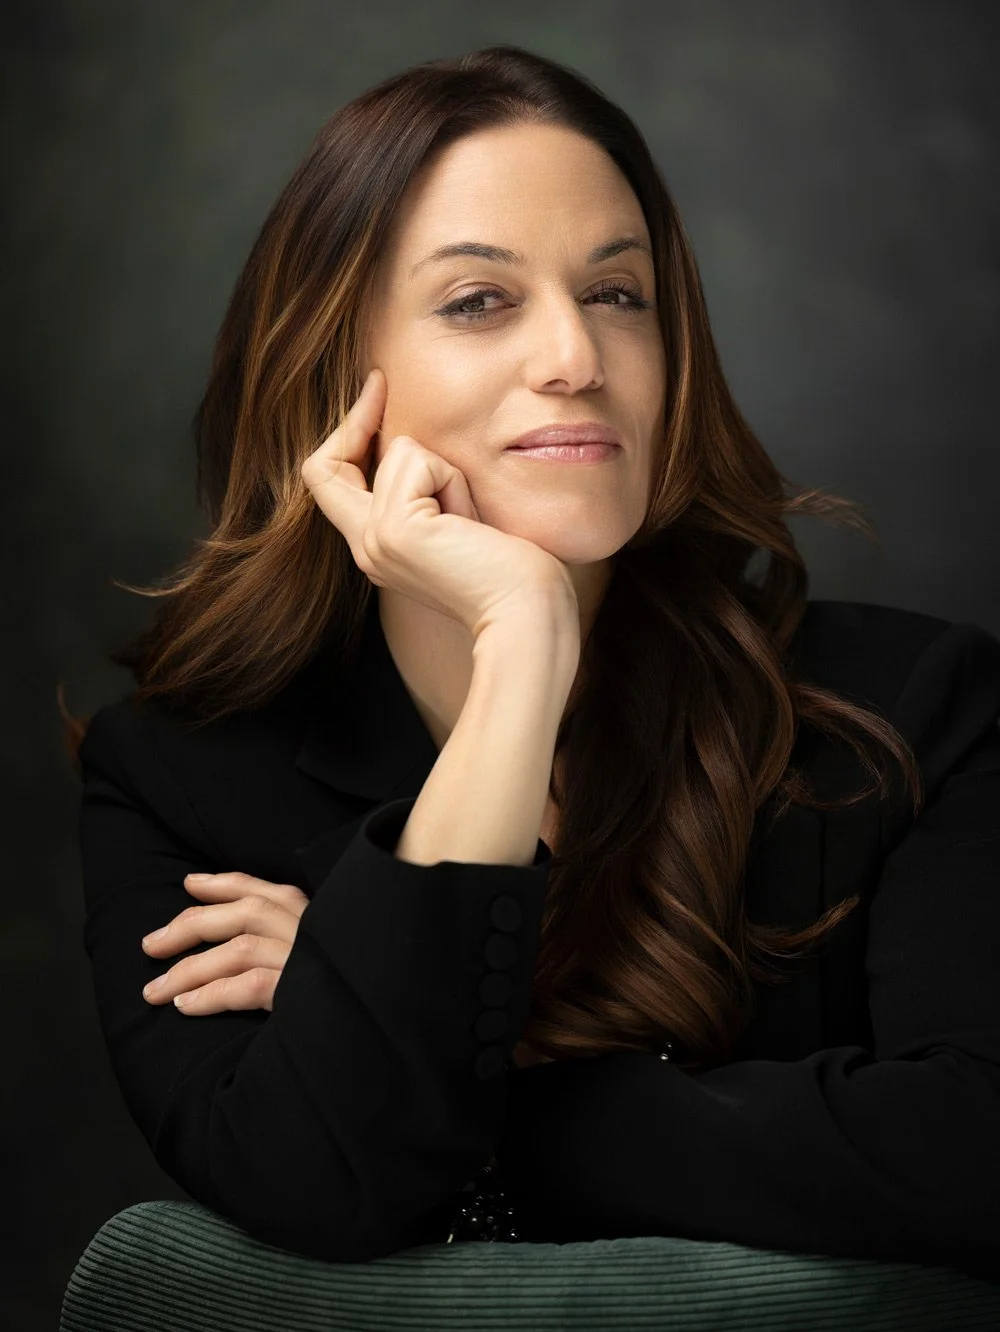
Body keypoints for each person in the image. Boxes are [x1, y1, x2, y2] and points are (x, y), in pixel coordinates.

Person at [64, 45, 1000, 1281]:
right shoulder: (178, 778)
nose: (575, 355)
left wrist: (480, 1048)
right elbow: (319, 1183)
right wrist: (520, 643)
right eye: (478, 302)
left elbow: (972, 1156)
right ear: (335, 377)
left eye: (618, 292)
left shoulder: (918, 711)